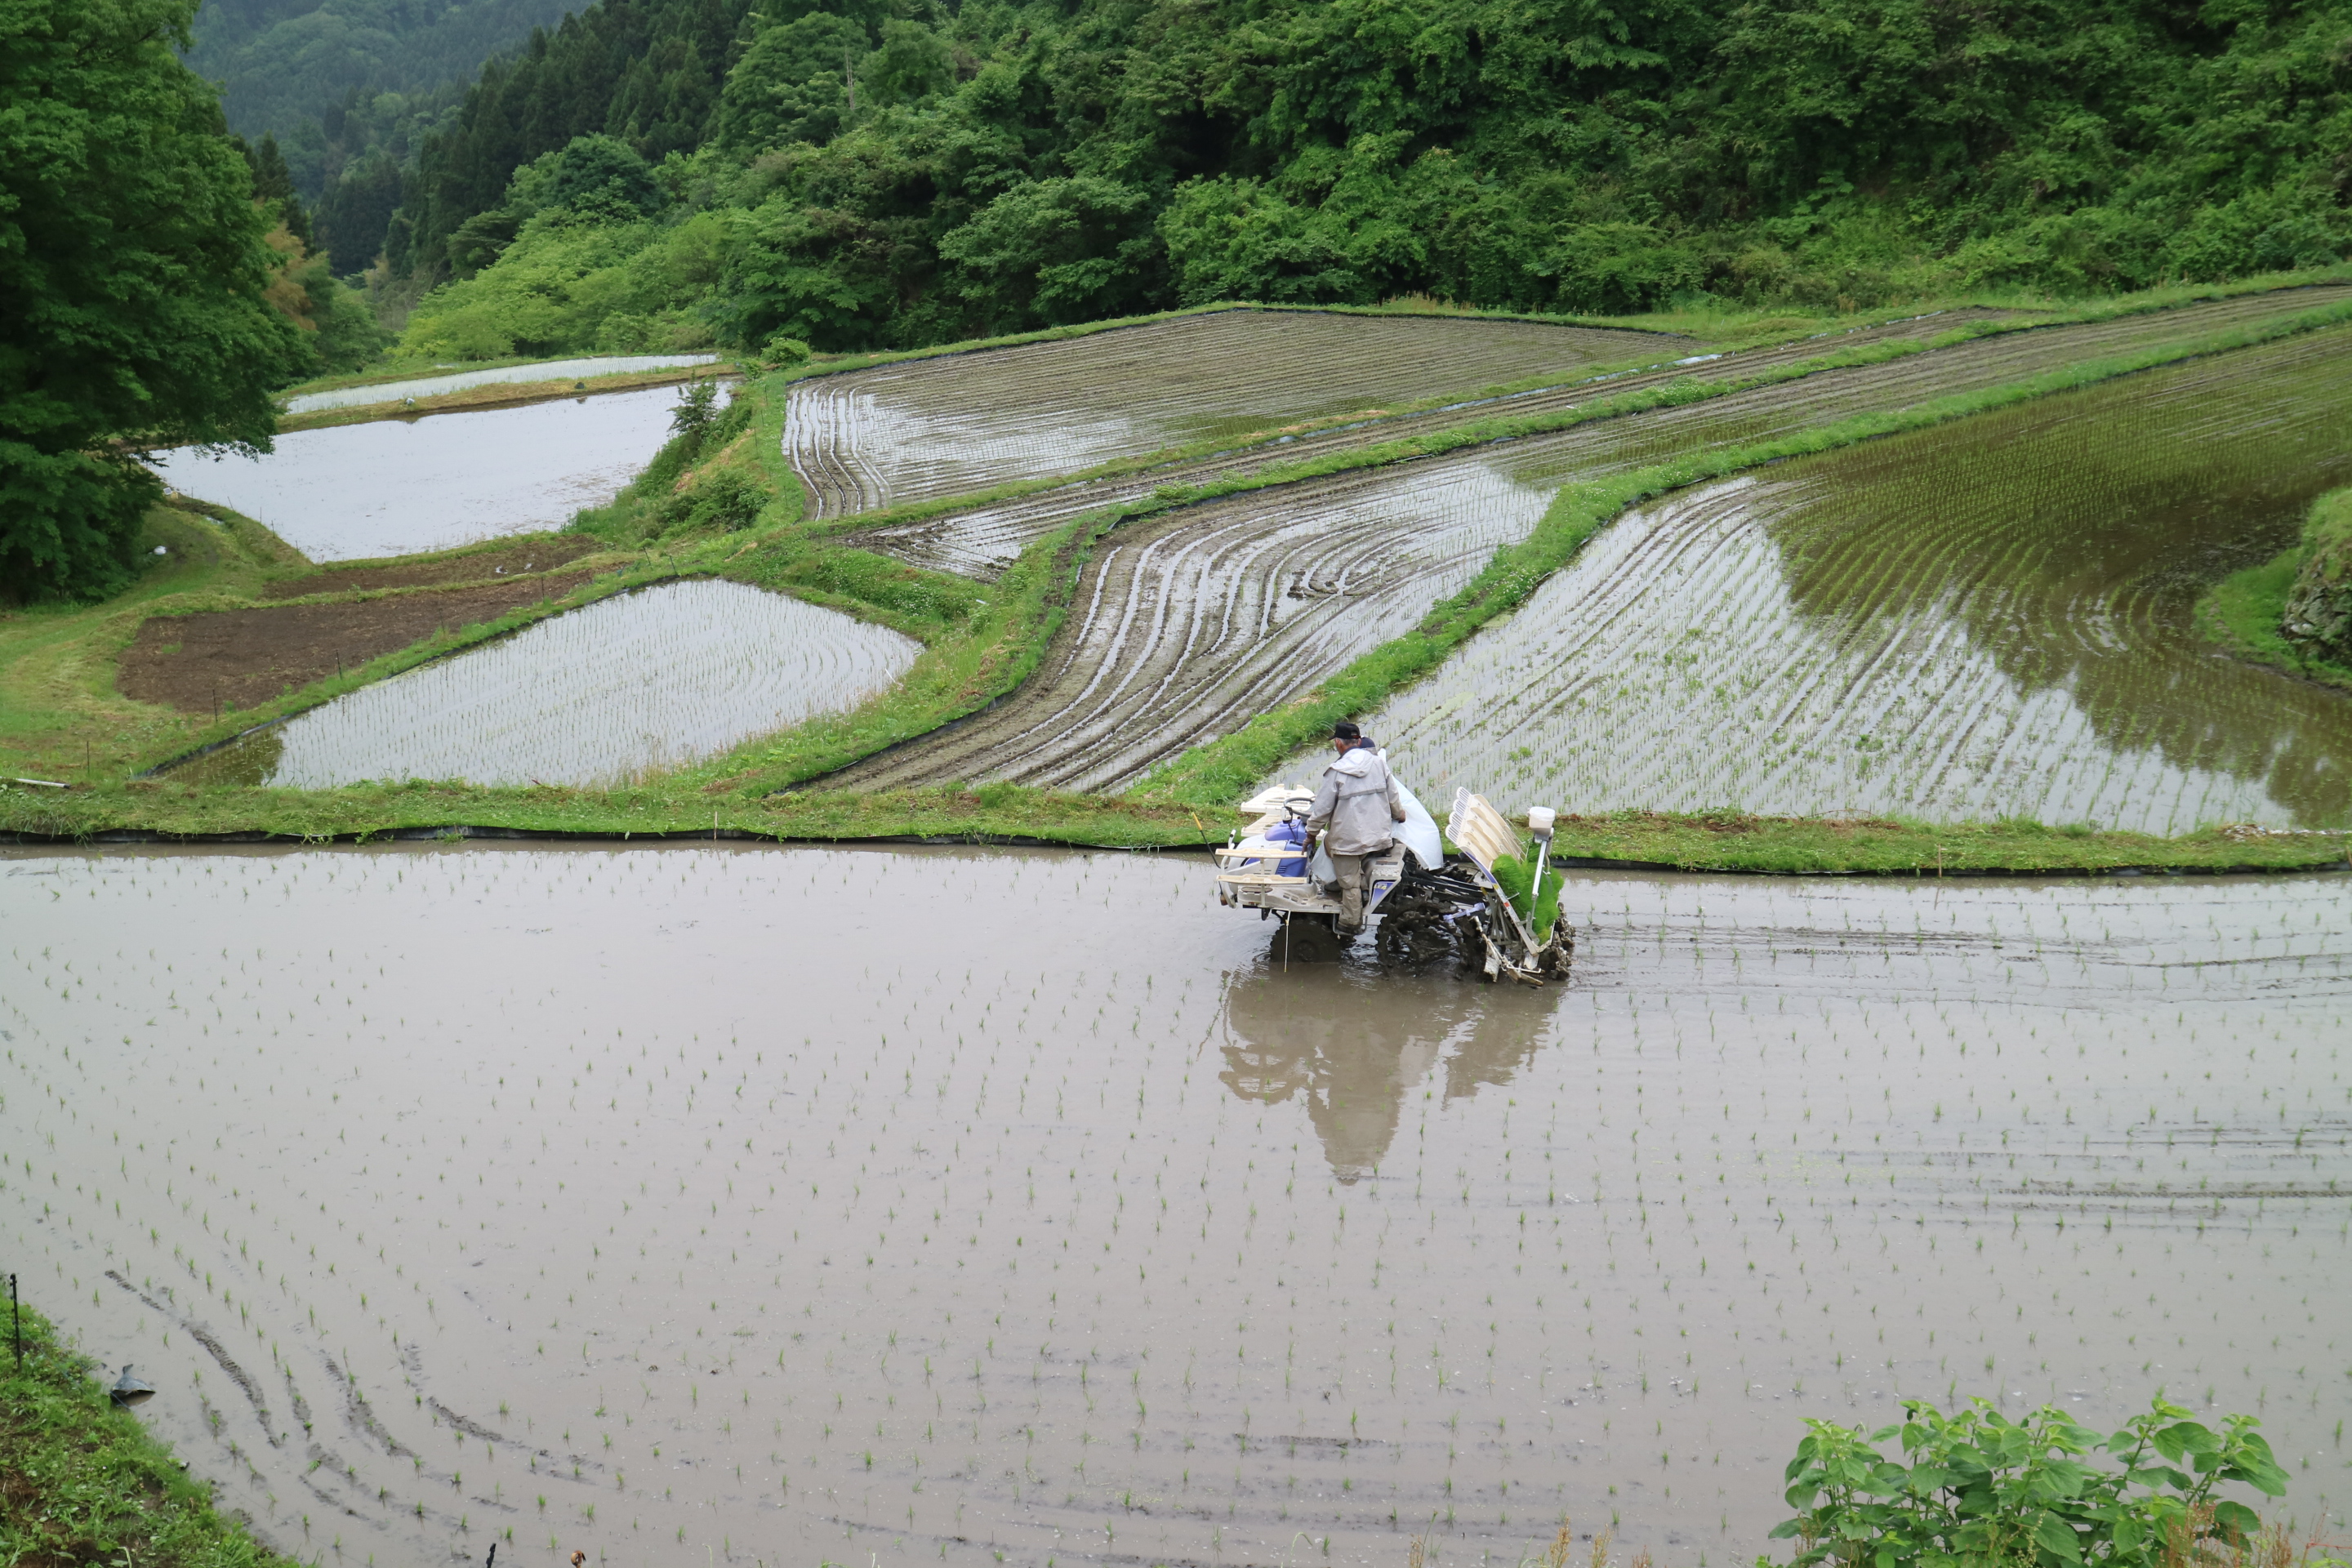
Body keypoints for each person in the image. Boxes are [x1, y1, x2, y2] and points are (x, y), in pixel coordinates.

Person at [1304, 720, 1408, 936]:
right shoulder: (1378, 763)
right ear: (1359, 741)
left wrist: (1311, 833)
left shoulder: (1336, 771)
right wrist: (1399, 814)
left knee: (1347, 879)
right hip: (1379, 836)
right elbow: (1393, 795)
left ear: (1339, 745)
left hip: (1349, 841)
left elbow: (1322, 810)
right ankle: (1345, 885)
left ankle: (1350, 923)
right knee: (1341, 855)